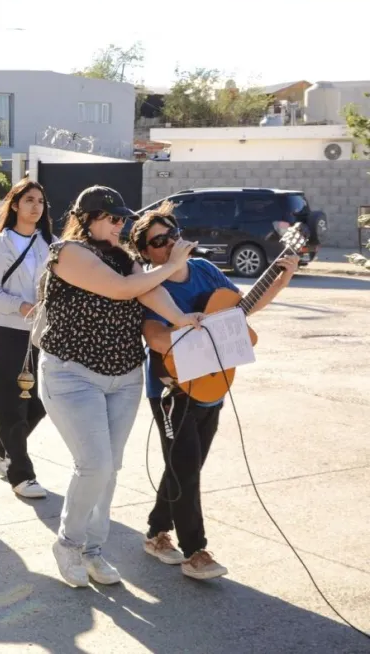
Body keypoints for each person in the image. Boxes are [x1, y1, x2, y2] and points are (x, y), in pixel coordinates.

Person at [38, 186, 202, 589]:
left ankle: (93, 550)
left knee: (109, 469)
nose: (119, 226)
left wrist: (182, 319)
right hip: (72, 375)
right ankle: (69, 543)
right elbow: (120, 289)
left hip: (124, 377)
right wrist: (171, 263)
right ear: (87, 218)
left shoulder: (124, 259)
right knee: (94, 464)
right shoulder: (68, 253)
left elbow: (149, 289)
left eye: (122, 220)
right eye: (112, 219)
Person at [131, 201, 299, 581]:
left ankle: (157, 532)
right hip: (171, 391)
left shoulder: (206, 270)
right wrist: (188, 333)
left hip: (213, 385)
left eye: (172, 233)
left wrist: (280, 280)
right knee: (186, 467)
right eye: (159, 241)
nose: (169, 242)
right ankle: (195, 551)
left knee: (185, 466)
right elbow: (154, 337)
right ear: (145, 252)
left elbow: (238, 311)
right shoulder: (148, 284)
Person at [0, 178, 55, 500]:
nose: (35, 206)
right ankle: (21, 475)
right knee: (12, 406)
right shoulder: (2, 244)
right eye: (29, 200)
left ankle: (3, 443)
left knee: (39, 405)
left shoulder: (49, 243)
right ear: (15, 204)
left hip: (41, 336)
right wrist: (21, 305)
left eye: (40, 200)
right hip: (9, 335)